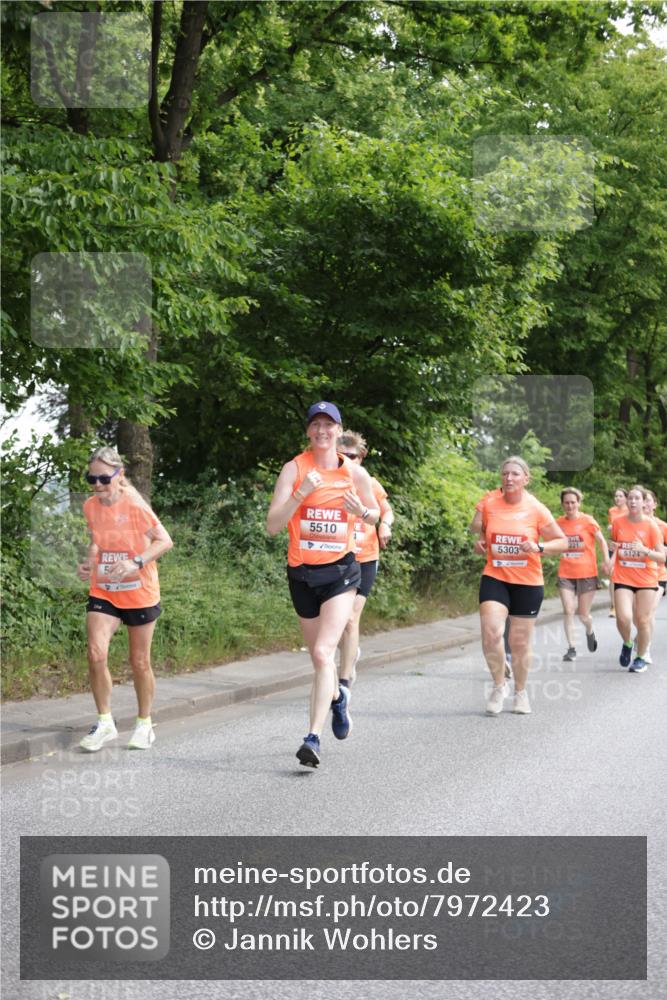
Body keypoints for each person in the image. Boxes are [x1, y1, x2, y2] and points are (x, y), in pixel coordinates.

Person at [266, 402, 380, 768]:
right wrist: (300, 495)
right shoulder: (294, 469)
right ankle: (338, 698)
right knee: (321, 660)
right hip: (301, 574)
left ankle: (312, 738)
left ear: (338, 430)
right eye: (315, 424)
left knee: (321, 653)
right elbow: (272, 525)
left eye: (328, 425)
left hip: (341, 573)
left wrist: (361, 512)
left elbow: (375, 514)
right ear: (308, 432)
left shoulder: (355, 474)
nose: (322, 431)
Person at [77, 446, 173, 751]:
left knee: (139, 661)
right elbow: (97, 542)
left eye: (104, 478)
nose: (97, 485)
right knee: (96, 653)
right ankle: (105, 722)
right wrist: (89, 561)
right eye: (91, 478)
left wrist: (135, 562)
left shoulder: (134, 504)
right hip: (104, 588)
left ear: (120, 475)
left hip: (139, 591)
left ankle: (144, 724)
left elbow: (164, 541)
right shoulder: (90, 506)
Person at [470, 457, 567, 716]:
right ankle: (498, 685)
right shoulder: (490, 504)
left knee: (519, 642)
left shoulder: (536, 509)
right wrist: (479, 544)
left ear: (526, 479)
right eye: (505, 474)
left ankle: (521, 692)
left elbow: (563, 542)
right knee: (491, 633)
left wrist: (539, 546)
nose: (509, 478)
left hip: (527, 583)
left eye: (515, 474)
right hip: (495, 576)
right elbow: (480, 535)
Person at [337, 431, 394, 687]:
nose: (348, 461)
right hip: (339, 558)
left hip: (366, 557)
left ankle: (344, 677)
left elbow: (386, 511)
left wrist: (385, 526)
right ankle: (351, 652)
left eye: (353, 456)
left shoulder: (369, 483)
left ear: (361, 457)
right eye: (342, 455)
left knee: (351, 617)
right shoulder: (330, 482)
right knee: (340, 621)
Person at [611, 485, 665, 673]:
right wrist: (612, 553)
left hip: (646, 579)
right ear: (627, 501)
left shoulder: (651, 526)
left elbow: (662, 557)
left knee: (643, 620)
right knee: (623, 617)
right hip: (623, 576)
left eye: (637, 498)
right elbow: (616, 546)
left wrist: (645, 551)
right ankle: (627, 642)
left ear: (643, 503)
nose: (633, 501)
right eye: (630, 498)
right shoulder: (618, 522)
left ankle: (641, 657)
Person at [556, 488, 611, 661]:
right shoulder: (559, 523)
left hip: (586, 572)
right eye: (566, 502)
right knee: (568, 610)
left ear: (579, 503)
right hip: (565, 572)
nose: (570, 506)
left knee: (583, 614)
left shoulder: (588, 521)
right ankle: (571, 648)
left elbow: (602, 541)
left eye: (573, 502)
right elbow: (552, 542)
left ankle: (589, 630)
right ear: (562, 504)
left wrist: (606, 561)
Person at [640, 489, 667, 663]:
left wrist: (661, 551)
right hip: (637, 576)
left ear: (654, 504)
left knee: (649, 612)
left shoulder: (662, 526)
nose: (645, 504)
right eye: (643, 500)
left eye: (648, 500)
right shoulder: (634, 524)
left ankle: (645, 648)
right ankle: (641, 638)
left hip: (659, 575)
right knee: (639, 615)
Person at [607, 488, 628, 618]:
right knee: (612, 575)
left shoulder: (630, 511)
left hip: (626, 546)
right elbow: (611, 529)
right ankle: (613, 606)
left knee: (625, 574)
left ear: (626, 498)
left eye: (620, 496)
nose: (618, 498)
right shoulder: (612, 511)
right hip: (614, 545)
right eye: (616, 496)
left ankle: (626, 602)